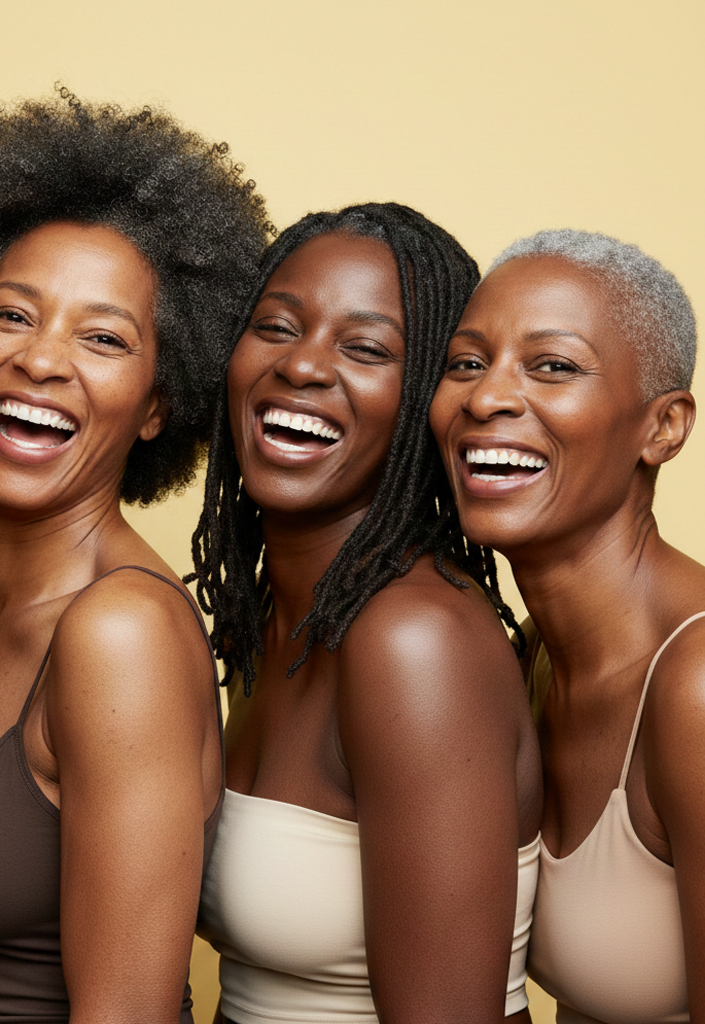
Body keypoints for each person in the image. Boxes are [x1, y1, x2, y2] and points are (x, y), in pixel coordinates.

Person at [0, 89, 272, 1023]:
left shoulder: (120, 632)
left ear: (156, 405)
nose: (43, 361)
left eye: (103, 338)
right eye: (13, 316)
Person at [190, 202, 543, 1024]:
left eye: (367, 348)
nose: (304, 367)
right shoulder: (271, 618)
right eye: (277, 327)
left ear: (425, 395)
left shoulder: (413, 640)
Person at [430, 228, 703, 1024]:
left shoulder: (692, 683)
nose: (486, 399)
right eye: (466, 363)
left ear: (664, 428)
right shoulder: (532, 655)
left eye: (553, 366)